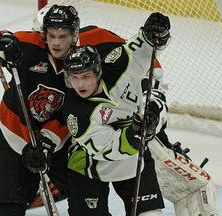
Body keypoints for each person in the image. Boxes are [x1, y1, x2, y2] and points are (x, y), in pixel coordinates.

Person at [0, 4, 130, 216]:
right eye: (51, 36)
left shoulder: (89, 53)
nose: (57, 43)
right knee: (10, 207)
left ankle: (49, 186)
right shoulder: (27, 45)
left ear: (75, 34)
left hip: (63, 140)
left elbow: (73, 111)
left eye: (63, 36)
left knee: (86, 199)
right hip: (15, 135)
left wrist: (47, 142)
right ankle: (8, 189)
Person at [62, 12, 171, 216]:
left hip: (135, 158)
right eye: (74, 78)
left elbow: (141, 48)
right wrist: (136, 132)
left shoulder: (118, 66)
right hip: (89, 168)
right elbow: (110, 148)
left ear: (98, 71)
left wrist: (156, 33)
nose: (80, 85)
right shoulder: (76, 113)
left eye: (86, 76)